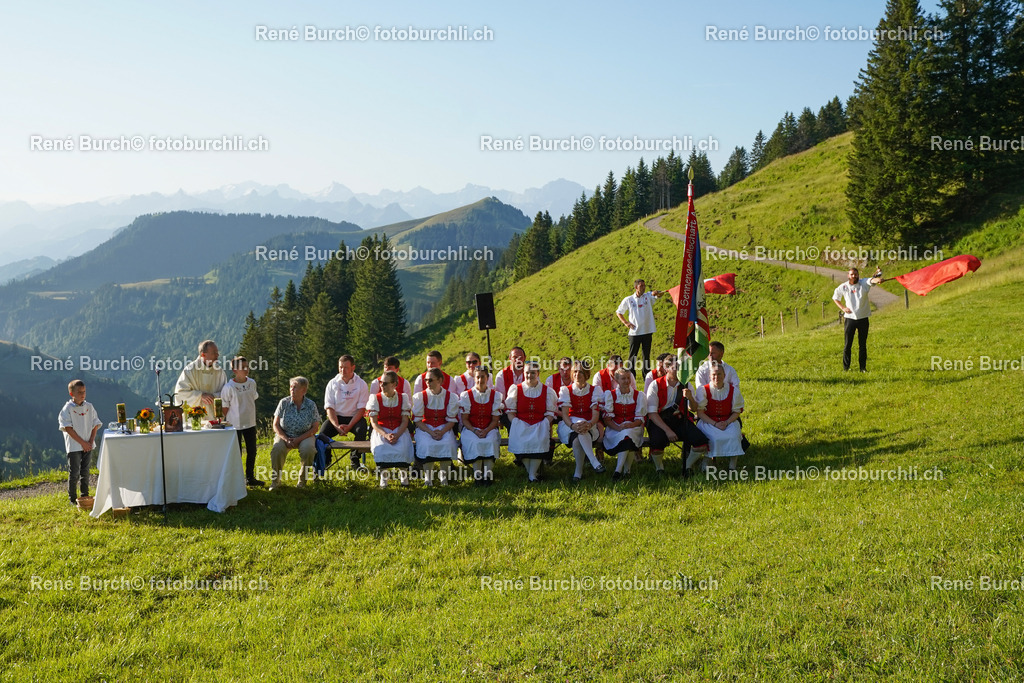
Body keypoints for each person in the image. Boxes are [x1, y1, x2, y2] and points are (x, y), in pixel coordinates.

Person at [645, 356, 708, 476]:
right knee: (657, 443)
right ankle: (659, 469)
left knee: (700, 442)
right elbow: (652, 413)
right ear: (666, 368)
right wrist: (667, 430)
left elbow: (693, 409)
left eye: (681, 368)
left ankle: (687, 467)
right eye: (676, 368)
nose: (680, 371)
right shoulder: (655, 385)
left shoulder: (686, 384)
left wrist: (690, 397)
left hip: (679, 419)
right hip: (659, 421)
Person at [505, 362, 557, 483]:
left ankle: (532, 474)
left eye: (533, 373)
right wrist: (517, 423)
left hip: (539, 424)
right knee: (522, 439)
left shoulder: (547, 391)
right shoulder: (516, 389)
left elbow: (550, 413)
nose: (529, 375)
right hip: (521, 425)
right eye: (527, 373)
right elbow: (510, 412)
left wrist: (544, 423)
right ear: (524, 373)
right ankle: (532, 474)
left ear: (538, 374)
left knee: (538, 439)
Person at [269, 377, 321, 490]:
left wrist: (298, 439)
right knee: (277, 449)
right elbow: (275, 425)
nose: (292, 389)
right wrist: (285, 438)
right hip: (285, 434)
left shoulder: (311, 405)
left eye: (295, 387)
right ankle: (275, 482)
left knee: (309, 450)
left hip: (305, 435)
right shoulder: (283, 402)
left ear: (304, 390)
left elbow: (315, 428)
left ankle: (302, 482)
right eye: (291, 387)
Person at [557, 361, 605, 481]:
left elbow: (595, 414)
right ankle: (594, 462)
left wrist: (590, 424)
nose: (577, 374)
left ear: (587, 374)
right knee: (579, 428)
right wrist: (572, 426)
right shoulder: (566, 390)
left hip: (589, 425)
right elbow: (565, 415)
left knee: (578, 438)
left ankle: (578, 472)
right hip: (569, 425)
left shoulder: (595, 390)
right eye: (575, 372)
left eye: (581, 372)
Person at [366, 370, 414, 488]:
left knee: (403, 447)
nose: (382, 385)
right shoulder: (375, 398)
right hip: (381, 430)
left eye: (385, 383)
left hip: (399, 429)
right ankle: (384, 479)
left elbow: (405, 421)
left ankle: (404, 477)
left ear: (394, 384)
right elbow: (374, 422)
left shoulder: (403, 398)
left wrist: (397, 434)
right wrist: (385, 435)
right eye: (381, 383)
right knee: (382, 447)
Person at [58, 379, 102, 507]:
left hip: (88, 444)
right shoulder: (67, 409)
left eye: (84, 391)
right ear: (72, 394)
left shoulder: (89, 406)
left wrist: (90, 441)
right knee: (74, 473)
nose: (83, 394)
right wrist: (83, 443)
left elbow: (95, 424)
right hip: (74, 446)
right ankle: (72, 499)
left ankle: (85, 496)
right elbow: (68, 428)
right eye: (79, 392)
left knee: (85, 471)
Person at [320, 354, 369, 469]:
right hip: (337, 417)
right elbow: (329, 408)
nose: (343, 370)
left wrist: (349, 426)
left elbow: (361, 409)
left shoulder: (361, 384)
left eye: (346, 367)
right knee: (322, 434)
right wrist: (337, 426)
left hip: (354, 417)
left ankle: (355, 459)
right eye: (340, 367)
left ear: (353, 367)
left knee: (361, 429)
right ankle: (326, 459)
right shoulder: (332, 383)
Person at [412, 368, 460, 486]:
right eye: (426, 380)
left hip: (444, 427)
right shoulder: (420, 396)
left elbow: (452, 420)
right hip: (425, 428)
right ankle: (428, 478)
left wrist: (442, 432)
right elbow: (417, 421)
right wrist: (431, 432)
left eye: (430, 380)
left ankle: (444, 477)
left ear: (439, 380)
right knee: (427, 444)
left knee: (448, 443)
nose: (427, 382)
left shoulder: (450, 397)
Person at [695, 362, 746, 471]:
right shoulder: (703, 390)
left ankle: (732, 466)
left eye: (719, 374)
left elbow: (737, 412)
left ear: (724, 375)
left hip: (728, 420)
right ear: (710, 376)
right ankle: (706, 463)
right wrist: (715, 424)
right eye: (714, 374)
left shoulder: (733, 390)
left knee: (734, 435)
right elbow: (700, 413)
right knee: (714, 438)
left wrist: (726, 422)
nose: (716, 377)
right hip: (708, 421)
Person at [220, 356, 262, 487]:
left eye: (247, 366)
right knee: (237, 452)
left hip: (250, 423)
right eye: (242, 367)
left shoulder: (252, 383)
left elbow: (252, 399)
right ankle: (237, 480)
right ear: (234, 370)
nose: (246, 369)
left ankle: (250, 478)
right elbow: (225, 407)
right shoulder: (229, 387)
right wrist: (225, 422)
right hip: (235, 425)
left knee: (252, 451)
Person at [458, 365, 502, 486]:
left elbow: (495, 419)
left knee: (491, 440)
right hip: (471, 428)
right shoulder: (466, 395)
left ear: (487, 378)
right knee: (475, 442)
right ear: (474, 378)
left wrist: (486, 430)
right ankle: (477, 475)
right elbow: (465, 419)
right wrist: (475, 431)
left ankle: (488, 475)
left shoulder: (495, 396)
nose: (480, 380)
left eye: (483, 377)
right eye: (477, 377)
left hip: (489, 427)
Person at [833, 267, 883, 372]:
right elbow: (835, 297)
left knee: (862, 345)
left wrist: (878, 279)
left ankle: (862, 368)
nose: (854, 276)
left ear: (858, 275)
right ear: (848, 275)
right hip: (850, 319)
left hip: (863, 318)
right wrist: (843, 308)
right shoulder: (844, 286)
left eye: (855, 274)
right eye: (852, 274)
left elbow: (871, 280)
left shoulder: (863, 283)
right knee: (847, 345)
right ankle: (846, 368)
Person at [616, 278, 667, 378]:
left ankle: (647, 377)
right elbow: (619, 312)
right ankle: (631, 376)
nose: (643, 288)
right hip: (635, 332)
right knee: (633, 356)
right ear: (636, 287)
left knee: (646, 356)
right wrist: (626, 323)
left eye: (644, 286)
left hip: (647, 331)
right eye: (641, 286)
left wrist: (656, 293)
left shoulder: (647, 296)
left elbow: (658, 295)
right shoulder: (629, 299)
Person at [603, 368, 647, 480]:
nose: (627, 381)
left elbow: (640, 419)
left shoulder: (638, 395)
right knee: (626, 437)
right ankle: (627, 471)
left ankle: (618, 471)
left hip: (634, 427)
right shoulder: (610, 395)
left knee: (628, 435)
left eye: (628, 378)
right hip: (614, 428)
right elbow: (607, 420)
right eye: (623, 378)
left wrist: (630, 425)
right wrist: (618, 428)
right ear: (616, 380)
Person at [174, 340, 227, 411]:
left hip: (214, 415)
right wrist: (200, 396)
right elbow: (180, 393)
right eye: (214, 352)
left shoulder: (220, 372)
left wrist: (214, 396)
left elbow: (226, 393)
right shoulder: (190, 370)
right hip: (195, 415)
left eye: (217, 352)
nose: (217, 355)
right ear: (203, 355)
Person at [495, 347, 526, 430]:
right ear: (510, 358)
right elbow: (501, 400)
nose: (518, 360)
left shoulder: (530, 373)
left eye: (520, 357)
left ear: (525, 358)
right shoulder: (501, 375)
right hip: (507, 411)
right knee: (514, 426)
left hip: (526, 410)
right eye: (515, 357)